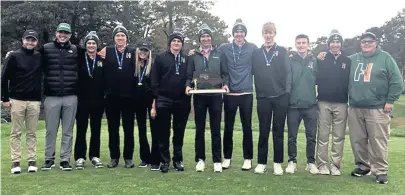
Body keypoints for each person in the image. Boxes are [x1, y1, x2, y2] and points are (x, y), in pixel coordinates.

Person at [347, 32, 403, 184]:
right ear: (360, 44)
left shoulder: (385, 58)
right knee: (357, 140)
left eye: (370, 41)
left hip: (377, 107)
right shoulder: (353, 59)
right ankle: (363, 166)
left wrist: (390, 100)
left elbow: (397, 81)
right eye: (364, 41)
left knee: (378, 140)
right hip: (355, 106)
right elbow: (338, 63)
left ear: (376, 42)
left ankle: (380, 171)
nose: (366, 44)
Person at [185, 24, 229, 173]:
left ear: (211, 38)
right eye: (203, 36)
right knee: (200, 129)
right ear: (199, 39)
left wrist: (225, 85)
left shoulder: (219, 54)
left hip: (216, 95)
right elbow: (189, 75)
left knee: (216, 129)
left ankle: (217, 160)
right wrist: (187, 86)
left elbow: (225, 73)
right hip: (199, 96)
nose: (206, 38)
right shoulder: (193, 55)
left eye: (208, 36)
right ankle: (200, 159)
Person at [251, 22, 291, 175]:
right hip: (263, 97)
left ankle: (277, 163)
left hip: (280, 97)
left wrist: (287, 93)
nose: (268, 35)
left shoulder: (282, 51)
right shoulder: (256, 52)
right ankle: (261, 162)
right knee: (263, 130)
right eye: (265, 32)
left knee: (278, 130)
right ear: (263, 34)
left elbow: (288, 72)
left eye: (271, 32)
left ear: (275, 34)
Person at [1, 29, 42, 174]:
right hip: (17, 99)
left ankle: (32, 161)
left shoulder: (39, 56)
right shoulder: (13, 56)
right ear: (22, 40)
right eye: (27, 39)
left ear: (36, 42)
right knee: (16, 132)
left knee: (31, 133)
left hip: (34, 101)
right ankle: (15, 162)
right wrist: (4, 99)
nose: (30, 42)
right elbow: (4, 78)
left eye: (33, 40)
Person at [220, 19, 257, 170]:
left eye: (241, 32)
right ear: (233, 33)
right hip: (230, 94)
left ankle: (247, 158)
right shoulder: (224, 48)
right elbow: (210, 54)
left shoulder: (253, 48)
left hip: (246, 93)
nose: (239, 34)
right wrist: (192, 51)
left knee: (247, 127)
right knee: (228, 127)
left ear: (245, 34)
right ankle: (227, 157)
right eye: (236, 32)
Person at [40, 23, 78, 171]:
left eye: (66, 33)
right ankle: (49, 159)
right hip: (52, 96)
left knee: (67, 130)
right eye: (61, 32)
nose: (63, 35)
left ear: (70, 35)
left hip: (70, 95)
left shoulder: (74, 49)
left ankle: (65, 159)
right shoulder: (46, 48)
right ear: (56, 33)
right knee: (51, 129)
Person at [151, 32, 191, 173]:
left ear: (182, 44)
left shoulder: (187, 59)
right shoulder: (161, 58)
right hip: (164, 99)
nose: (176, 43)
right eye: (174, 41)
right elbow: (154, 79)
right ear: (170, 43)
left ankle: (178, 160)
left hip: (182, 100)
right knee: (163, 132)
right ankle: (164, 161)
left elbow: (190, 77)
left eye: (179, 41)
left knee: (179, 132)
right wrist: (155, 100)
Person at [100, 24, 136, 169]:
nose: (120, 38)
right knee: (112, 128)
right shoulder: (106, 51)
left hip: (129, 97)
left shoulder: (133, 51)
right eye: (117, 36)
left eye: (122, 35)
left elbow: (146, 60)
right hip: (111, 97)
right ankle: (114, 157)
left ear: (126, 38)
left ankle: (128, 157)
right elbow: (90, 55)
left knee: (128, 129)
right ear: (114, 38)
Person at [315, 30, 350, 176]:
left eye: (337, 42)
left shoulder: (347, 61)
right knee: (323, 135)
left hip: (341, 103)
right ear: (329, 44)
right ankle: (322, 164)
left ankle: (335, 165)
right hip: (324, 102)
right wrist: (318, 56)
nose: (335, 45)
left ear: (341, 44)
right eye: (332, 42)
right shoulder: (321, 58)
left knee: (338, 136)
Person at [286, 34, 319, 175]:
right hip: (293, 105)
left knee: (311, 136)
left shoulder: (315, 61)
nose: (301, 45)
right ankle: (291, 161)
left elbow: (320, 80)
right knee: (292, 136)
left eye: (303, 42)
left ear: (308, 44)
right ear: (295, 44)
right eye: (298, 43)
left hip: (310, 105)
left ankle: (310, 162)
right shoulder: (290, 60)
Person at [73, 31, 104, 169]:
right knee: (81, 129)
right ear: (85, 45)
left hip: (98, 100)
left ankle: (95, 156)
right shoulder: (79, 58)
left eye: (94, 43)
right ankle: (80, 157)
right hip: (82, 100)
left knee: (96, 129)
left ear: (97, 45)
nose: (91, 45)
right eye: (89, 43)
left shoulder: (102, 59)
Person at [133, 38, 160, 171]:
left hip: (151, 102)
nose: (143, 52)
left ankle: (155, 159)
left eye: (146, 50)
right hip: (138, 102)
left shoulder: (153, 66)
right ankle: (145, 158)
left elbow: (156, 87)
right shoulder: (133, 65)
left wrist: (154, 105)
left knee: (155, 130)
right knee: (141, 131)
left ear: (149, 52)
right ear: (137, 51)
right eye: (141, 50)